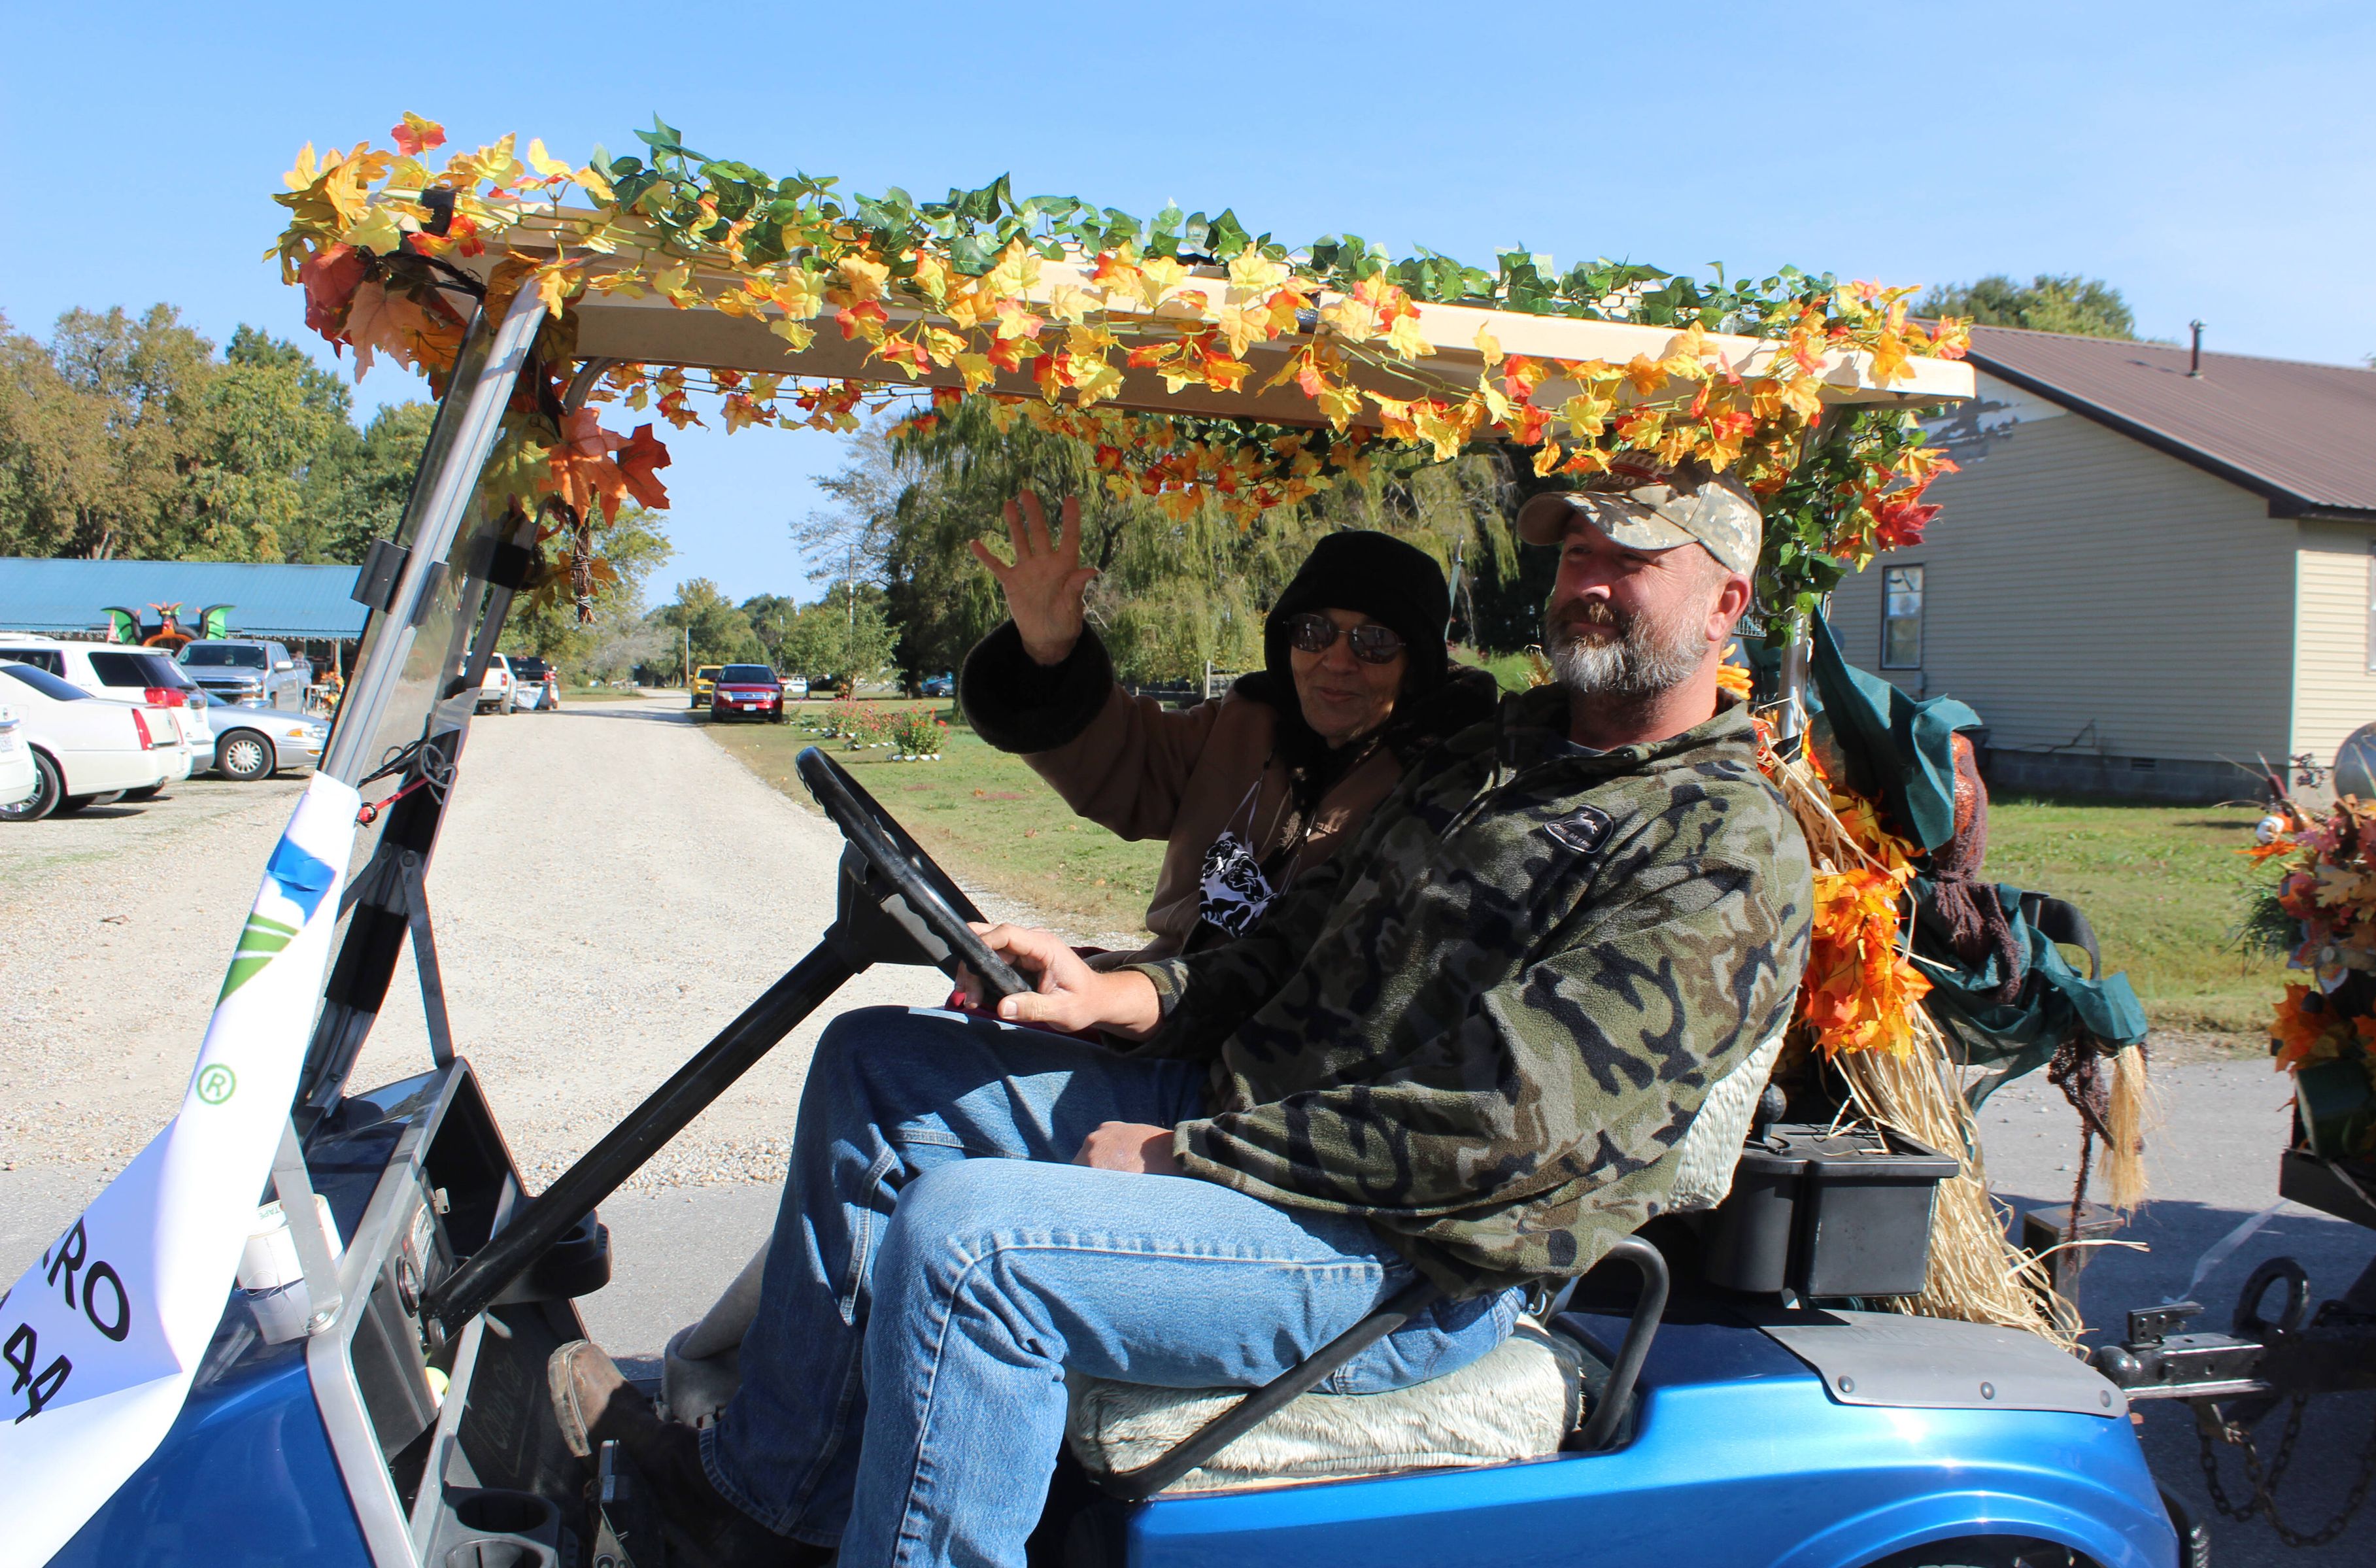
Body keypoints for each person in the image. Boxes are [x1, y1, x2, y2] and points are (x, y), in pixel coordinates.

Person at [551, 462, 1814, 1568]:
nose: (1592, 579)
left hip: (1403, 1256)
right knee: (881, 1064)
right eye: (1579, 551)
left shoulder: (1714, 847)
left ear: (1724, 605)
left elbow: (1509, 1125)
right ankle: (774, 1505)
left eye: (1635, 559)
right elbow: (1293, 945)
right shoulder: (1494, 760)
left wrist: (1188, 1156)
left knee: (972, 1242)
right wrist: (1133, 995)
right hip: (1253, 1127)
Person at [957, 492, 1497, 957]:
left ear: (1416, 666)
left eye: (1374, 641)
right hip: (1160, 997)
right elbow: (1127, 761)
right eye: (1313, 632)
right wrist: (1050, 652)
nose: (1337, 660)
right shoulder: (1245, 724)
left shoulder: (1449, 781)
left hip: (1276, 1050)